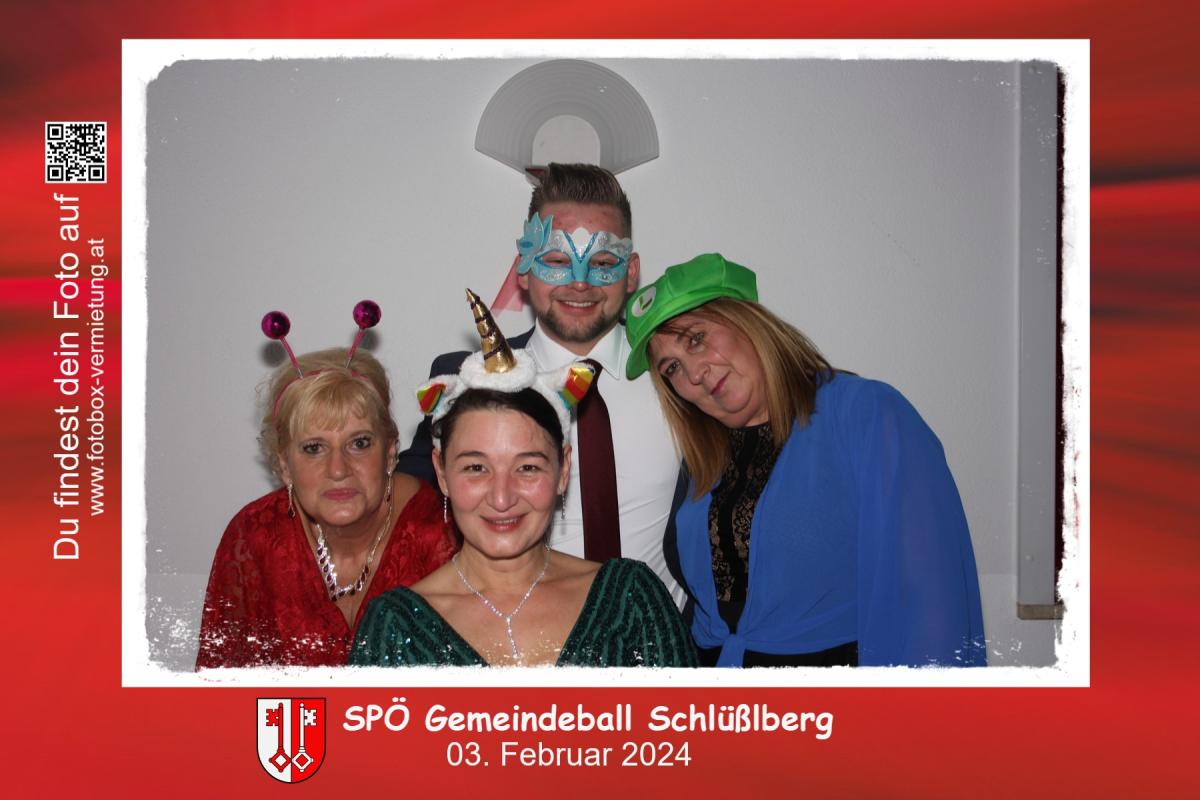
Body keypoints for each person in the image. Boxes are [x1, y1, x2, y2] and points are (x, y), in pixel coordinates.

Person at [624, 254, 987, 667]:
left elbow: (932, 601)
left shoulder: (865, 414)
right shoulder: (701, 462)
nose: (694, 374)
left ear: (746, 319)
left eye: (696, 339)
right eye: (672, 367)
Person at [396, 163, 685, 605]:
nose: (580, 283)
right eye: (556, 261)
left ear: (631, 272)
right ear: (523, 269)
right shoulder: (469, 380)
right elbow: (400, 499)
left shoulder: (682, 373)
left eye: (603, 263)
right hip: (517, 634)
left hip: (662, 637)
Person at [352, 298, 695, 667]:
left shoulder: (632, 601)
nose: (502, 498)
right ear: (441, 473)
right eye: (476, 468)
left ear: (563, 470)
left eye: (528, 468)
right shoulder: (393, 626)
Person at [197, 306, 455, 668]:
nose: (338, 469)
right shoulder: (253, 537)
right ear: (284, 465)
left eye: (359, 443)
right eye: (313, 448)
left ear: (390, 453)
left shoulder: (441, 532)